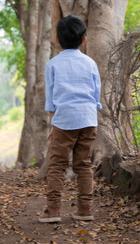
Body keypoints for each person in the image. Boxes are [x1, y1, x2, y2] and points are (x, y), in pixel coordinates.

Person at [39, 15, 102, 223]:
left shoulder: (53, 64)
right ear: (84, 40)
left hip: (64, 119)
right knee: (84, 165)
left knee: (57, 165)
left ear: (57, 39)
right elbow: (96, 93)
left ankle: (53, 210)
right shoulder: (90, 63)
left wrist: (53, 122)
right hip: (88, 119)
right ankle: (85, 209)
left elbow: (50, 98)